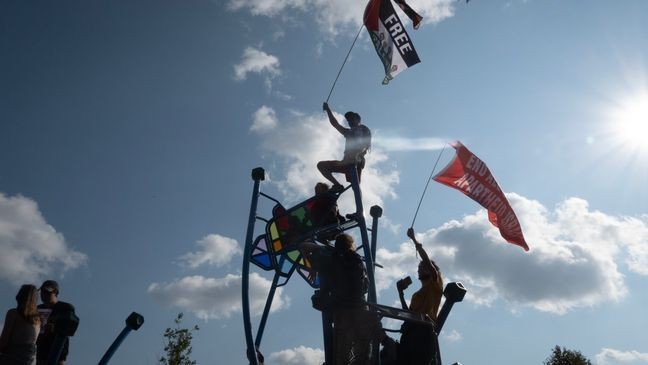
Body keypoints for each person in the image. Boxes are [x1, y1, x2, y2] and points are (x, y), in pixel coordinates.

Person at [396, 228, 444, 365]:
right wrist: (400, 293)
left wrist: (414, 239)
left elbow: (426, 259)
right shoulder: (416, 295)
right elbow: (409, 314)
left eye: (423, 266)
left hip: (423, 332)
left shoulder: (435, 283)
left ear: (431, 270)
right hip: (410, 334)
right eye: (419, 267)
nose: (420, 268)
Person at [317, 102, 371, 191]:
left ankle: (356, 187)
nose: (350, 122)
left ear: (358, 120)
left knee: (356, 186)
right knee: (321, 165)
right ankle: (337, 185)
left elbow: (366, 145)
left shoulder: (363, 129)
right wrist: (328, 110)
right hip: (346, 162)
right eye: (348, 120)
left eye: (352, 119)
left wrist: (358, 155)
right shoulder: (348, 132)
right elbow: (335, 124)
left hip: (356, 161)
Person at [36, 280, 75, 365]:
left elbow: (69, 329)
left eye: (47, 292)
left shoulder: (66, 308)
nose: (43, 295)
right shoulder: (36, 309)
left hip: (57, 354)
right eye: (42, 292)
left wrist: (54, 328)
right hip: (38, 353)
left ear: (56, 292)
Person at [0, 284, 41, 365]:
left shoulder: (13, 313)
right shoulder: (38, 320)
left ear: (19, 296)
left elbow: (3, 342)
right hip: (30, 360)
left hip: (12, 359)